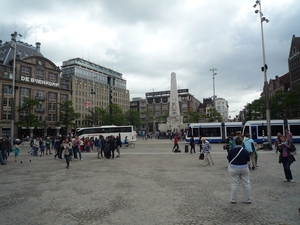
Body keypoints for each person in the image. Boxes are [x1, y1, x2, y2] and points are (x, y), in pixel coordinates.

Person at [227, 136, 251, 204]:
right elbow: (248, 160)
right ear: (242, 143)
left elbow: (229, 159)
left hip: (234, 168)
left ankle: (233, 199)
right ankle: (248, 199)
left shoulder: (232, 150)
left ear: (235, 142)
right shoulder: (245, 151)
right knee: (246, 184)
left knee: (234, 184)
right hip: (244, 168)